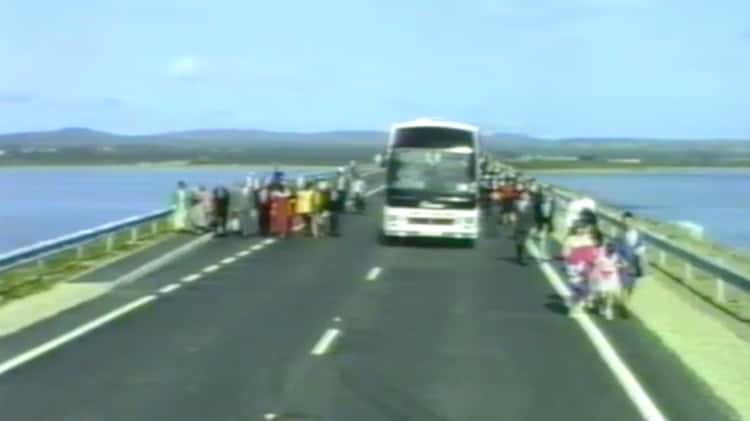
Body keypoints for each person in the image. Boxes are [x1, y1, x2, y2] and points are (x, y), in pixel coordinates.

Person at [617, 211, 647, 309]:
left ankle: (626, 302)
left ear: (633, 221)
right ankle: (623, 305)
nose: (627, 223)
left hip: (635, 265)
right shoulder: (620, 235)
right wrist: (620, 261)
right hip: (624, 264)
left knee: (632, 287)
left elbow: (642, 250)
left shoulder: (639, 235)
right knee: (624, 285)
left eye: (628, 221)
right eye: (624, 221)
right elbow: (617, 250)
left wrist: (643, 267)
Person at [590, 241, 626, 320]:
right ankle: (601, 305)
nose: (610, 253)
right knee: (603, 295)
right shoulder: (601, 256)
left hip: (612, 277)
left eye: (612, 251)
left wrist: (620, 266)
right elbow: (595, 263)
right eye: (609, 251)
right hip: (602, 277)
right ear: (606, 250)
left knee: (610, 294)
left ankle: (608, 309)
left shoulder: (616, 256)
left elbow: (622, 264)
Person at [513, 191, 536, 265]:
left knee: (525, 243)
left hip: (527, 226)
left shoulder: (531, 205)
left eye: (526, 195)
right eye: (523, 195)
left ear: (528, 197)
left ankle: (523, 259)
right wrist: (513, 223)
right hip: (518, 225)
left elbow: (533, 217)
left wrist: (533, 227)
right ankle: (519, 255)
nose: (525, 196)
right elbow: (514, 215)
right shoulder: (516, 204)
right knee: (518, 243)